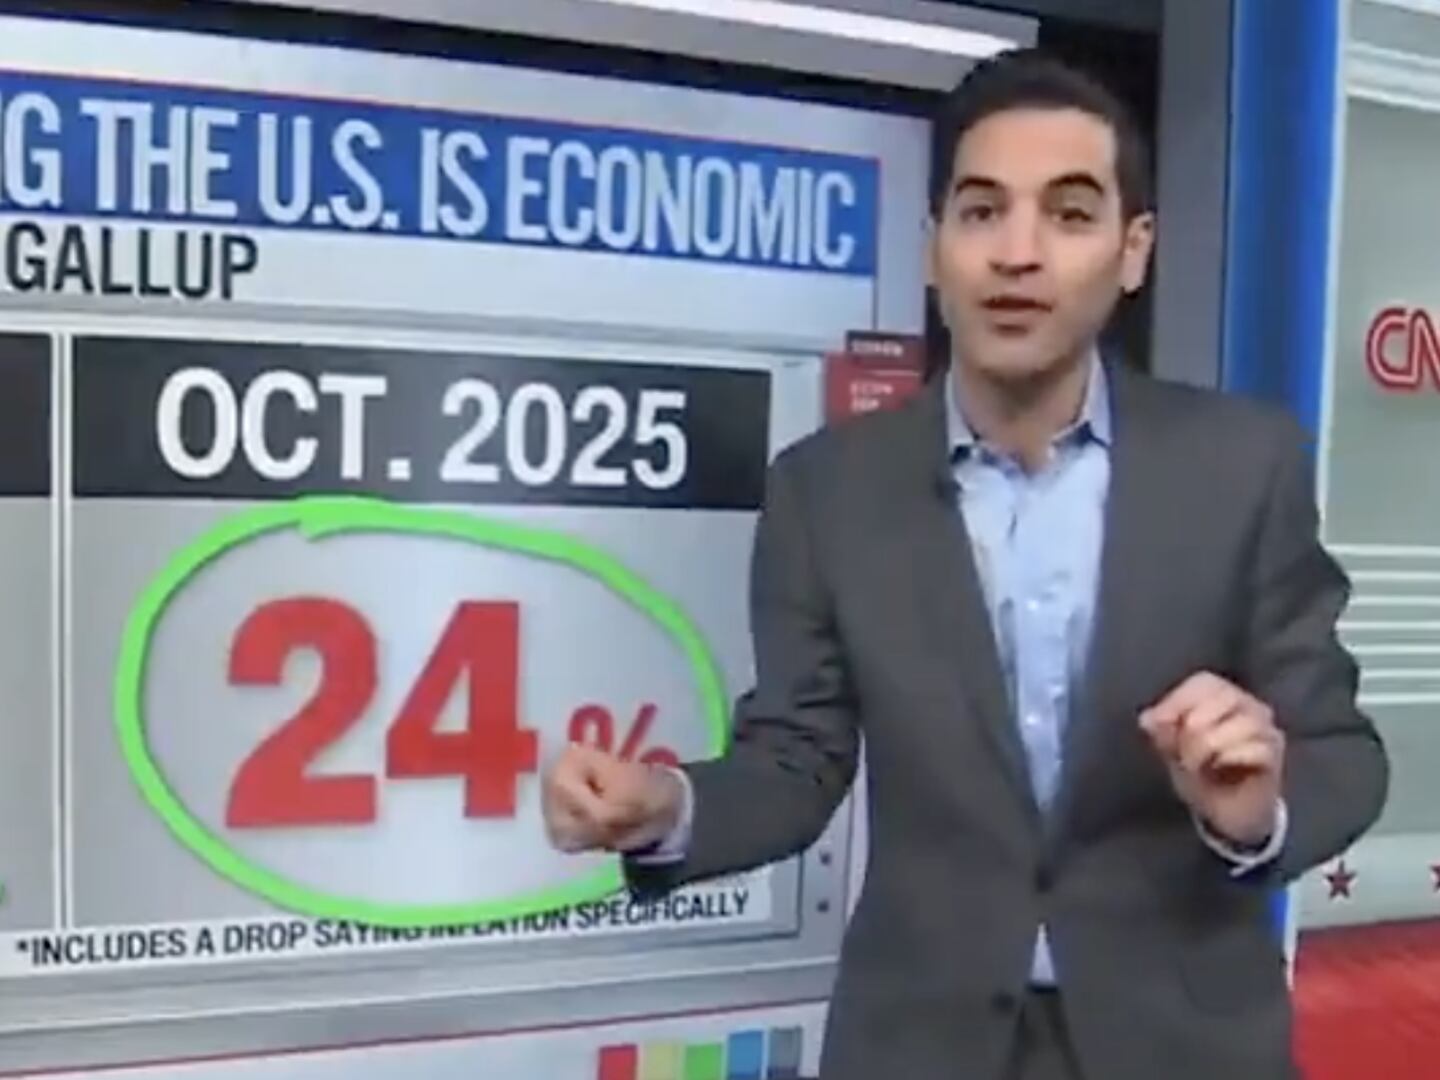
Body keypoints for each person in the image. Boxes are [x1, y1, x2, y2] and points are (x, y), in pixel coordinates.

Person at [541, 48, 1388, 1080]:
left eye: (1069, 214)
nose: (1017, 254)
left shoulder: (1242, 468)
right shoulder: (827, 490)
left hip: (1183, 1046)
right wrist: (665, 805)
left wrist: (1257, 816)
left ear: (1134, 251)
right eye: (982, 212)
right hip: (922, 1044)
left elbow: (1343, 753)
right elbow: (795, 762)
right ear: (933, 246)